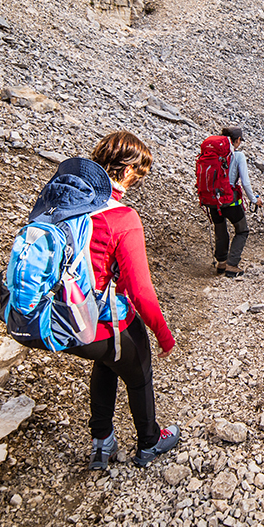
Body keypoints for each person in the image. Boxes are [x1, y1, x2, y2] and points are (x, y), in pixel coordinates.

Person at [60, 131, 180, 470]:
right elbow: (140, 290)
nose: (138, 180)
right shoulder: (122, 217)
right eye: (139, 174)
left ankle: (102, 443)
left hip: (62, 316)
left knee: (108, 360)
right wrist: (162, 333)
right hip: (100, 317)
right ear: (127, 171)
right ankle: (149, 442)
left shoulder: (68, 203)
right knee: (138, 369)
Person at [205, 126, 260, 278]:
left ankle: (221, 262)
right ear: (236, 140)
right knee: (242, 230)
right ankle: (232, 264)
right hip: (229, 199)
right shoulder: (238, 156)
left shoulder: (212, 154)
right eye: (239, 141)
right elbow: (245, 182)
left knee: (220, 227)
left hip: (211, 198)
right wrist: (254, 200)